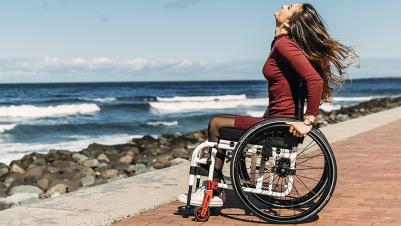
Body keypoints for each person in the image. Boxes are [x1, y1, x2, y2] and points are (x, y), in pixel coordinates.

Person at [178, 2, 357, 207]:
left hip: (276, 124)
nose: (283, 5)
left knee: (216, 124)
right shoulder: (279, 43)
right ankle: (214, 186)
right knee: (218, 122)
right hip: (275, 119)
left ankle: (213, 189)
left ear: (290, 23)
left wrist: (308, 121)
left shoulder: (284, 45)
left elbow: (314, 80)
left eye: (289, 7)